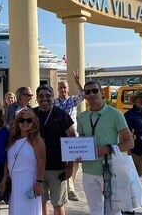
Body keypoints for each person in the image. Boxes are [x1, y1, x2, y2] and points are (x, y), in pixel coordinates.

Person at [77, 81, 134, 215]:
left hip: (110, 169)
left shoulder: (115, 114)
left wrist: (107, 149)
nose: (91, 94)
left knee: (114, 210)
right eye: (88, 92)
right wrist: (78, 154)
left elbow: (129, 142)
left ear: (102, 93)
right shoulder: (82, 117)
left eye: (95, 91)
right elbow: (82, 141)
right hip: (89, 170)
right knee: (95, 210)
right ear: (85, 96)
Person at [33, 84, 75, 215]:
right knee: (41, 202)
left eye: (48, 96)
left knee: (58, 203)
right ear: (37, 98)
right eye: (41, 96)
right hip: (36, 167)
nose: (44, 99)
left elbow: (72, 140)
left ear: (53, 97)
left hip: (57, 167)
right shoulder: (32, 114)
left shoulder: (61, 114)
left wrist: (70, 167)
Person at [7, 108, 46, 215]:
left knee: (29, 210)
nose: (25, 123)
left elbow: (41, 161)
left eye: (29, 120)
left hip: (30, 180)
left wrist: (39, 182)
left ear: (34, 122)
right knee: (16, 210)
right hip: (14, 181)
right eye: (22, 120)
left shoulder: (36, 139)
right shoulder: (13, 138)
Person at [54, 70, 84, 201]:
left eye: (64, 87)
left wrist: (78, 83)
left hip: (72, 136)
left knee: (75, 163)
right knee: (64, 163)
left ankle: (69, 187)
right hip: (59, 137)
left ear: (68, 88)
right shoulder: (54, 102)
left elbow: (83, 95)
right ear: (58, 89)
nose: (62, 89)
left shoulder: (72, 100)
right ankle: (69, 189)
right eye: (60, 87)